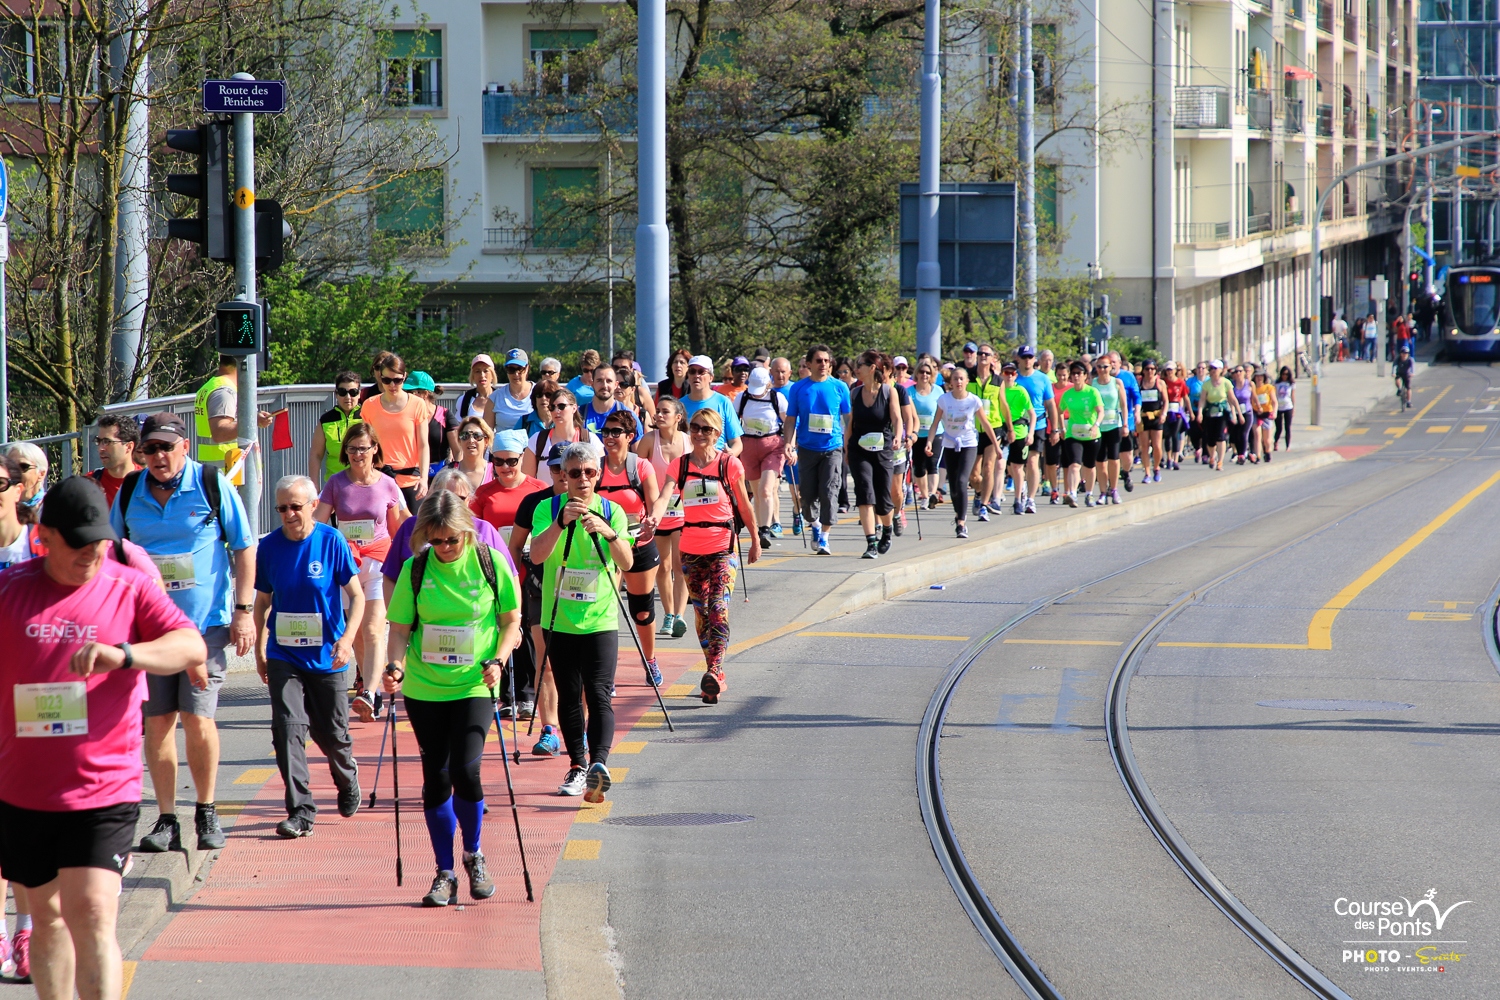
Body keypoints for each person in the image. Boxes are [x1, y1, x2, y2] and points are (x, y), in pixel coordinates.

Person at [0, 477, 205, 1000]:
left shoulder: (129, 586)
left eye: (99, 541)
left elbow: (189, 644)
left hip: (104, 786)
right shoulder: (11, 590)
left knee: (92, 911)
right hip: (25, 789)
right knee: (47, 916)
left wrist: (127, 655)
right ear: (44, 536)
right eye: (78, 543)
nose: (91, 553)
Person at [110, 412, 255, 855]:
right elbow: (112, 554)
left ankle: (206, 810)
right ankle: (167, 818)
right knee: (158, 723)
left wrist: (244, 611)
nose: (158, 456)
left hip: (203, 627)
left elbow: (244, 547)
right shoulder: (131, 491)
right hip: (149, 632)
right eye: (150, 448)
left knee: (198, 718)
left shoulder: (210, 483)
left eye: (166, 447)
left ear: (184, 447)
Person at [384, 492, 523, 907]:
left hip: (474, 684)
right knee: (437, 778)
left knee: (467, 770)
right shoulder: (415, 569)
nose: (444, 547)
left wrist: (499, 660)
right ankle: (444, 871)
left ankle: (473, 853)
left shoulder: (489, 562)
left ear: (467, 531)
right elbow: (399, 630)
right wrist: (394, 667)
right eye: (436, 540)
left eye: (452, 539)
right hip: (425, 688)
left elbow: (511, 621)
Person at [254, 475, 364, 838]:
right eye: (281, 508)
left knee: (331, 734)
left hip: (327, 655)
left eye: (295, 507)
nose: (288, 514)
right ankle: (300, 811)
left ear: (313, 505)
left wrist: (347, 640)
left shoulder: (331, 541)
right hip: (284, 653)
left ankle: (346, 776)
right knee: (287, 729)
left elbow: (357, 596)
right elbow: (263, 602)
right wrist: (259, 649)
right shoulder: (269, 547)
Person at [528, 442, 633, 793]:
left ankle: (599, 762)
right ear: (563, 476)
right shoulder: (547, 508)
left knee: (599, 693)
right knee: (570, 696)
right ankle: (577, 765)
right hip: (559, 620)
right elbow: (537, 556)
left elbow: (627, 562)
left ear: (598, 474)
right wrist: (560, 523)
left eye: (589, 472)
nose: (582, 479)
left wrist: (608, 532)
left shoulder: (612, 511)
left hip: (600, 619)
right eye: (575, 473)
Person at [651, 410, 759, 704]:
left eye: (706, 429)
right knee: (701, 613)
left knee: (718, 609)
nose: (699, 433)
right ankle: (714, 674)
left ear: (717, 434)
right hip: (691, 549)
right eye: (695, 427)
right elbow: (664, 496)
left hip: (723, 546)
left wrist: (755, 539)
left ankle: (714, 670)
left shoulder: (729, 464)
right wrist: (654, 518)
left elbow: (744, 505)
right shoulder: (680, 465)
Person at [313, 421, 409, 721]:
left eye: (363, 448)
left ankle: (367, 692)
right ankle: (373, 691)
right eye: (352, 449)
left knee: (373, 629)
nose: (357, 454)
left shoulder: (387, 484)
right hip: (347, 565)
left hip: (379, 562)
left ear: (374, 449)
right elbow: (318, 522)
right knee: (355, 635)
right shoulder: (336, 483)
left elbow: (398, 527)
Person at [506, 450, 568, 755]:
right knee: (546, 664)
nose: (563, 474)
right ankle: (549, 730)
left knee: (579, 666)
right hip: (539, 590)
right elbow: (515, 547)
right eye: (556, 468)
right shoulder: (535, 503)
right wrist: (514, 587)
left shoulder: (596, 503)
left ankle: (581, 730)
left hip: (581, 594)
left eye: (569, 468)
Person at [596, 411, 664, 686]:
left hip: (638, 544)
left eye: (616, 432)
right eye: (606, 432)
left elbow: (655, 502)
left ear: (630, 436)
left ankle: (650, 660)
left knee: (641, 611)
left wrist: (653, 521)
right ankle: (606, 672)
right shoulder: (596, 467)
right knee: (606, 609)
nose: (609, 437)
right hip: (603, 547)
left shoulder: (641, 467)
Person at [783, 345, 851, 555]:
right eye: (819, 361)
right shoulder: (798, 388)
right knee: (807, 495)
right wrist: (788, 443)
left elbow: (849, 418)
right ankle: (815, 524)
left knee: (829, 491)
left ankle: (825, 538)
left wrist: (849, 443)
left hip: (832, 447)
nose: (823, 364)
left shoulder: (840, 387)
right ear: (809, 364)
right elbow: (791, 419)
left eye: (826, 361)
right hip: (807, 448)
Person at [639, 396, 690, 642]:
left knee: (680, 566)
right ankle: (668, 614)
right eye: (657, 411)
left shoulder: (689, 442)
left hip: (684, 511)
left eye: (665, 412)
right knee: (663, 566)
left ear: (678, 417)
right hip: (656, 512)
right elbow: (637, 472)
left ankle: (679, 616)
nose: (658, 415)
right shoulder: (649, 440)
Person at [925, 367, 998, 537]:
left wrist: (996, 445)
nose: (958, 382)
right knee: (953, 488)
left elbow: (985, 423)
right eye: (955, 379)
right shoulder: (944, 400)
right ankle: (958, 513)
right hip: (950, 444)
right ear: (950, 382)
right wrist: (929, 442)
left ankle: (961, 523)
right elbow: (935, 423)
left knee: (961, 481)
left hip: (968, 444)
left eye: (961, 379)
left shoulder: (973, 401)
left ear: (966, 382)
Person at [848, 350, 905, 559]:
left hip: (883, 449)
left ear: (872, 368)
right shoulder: (854, 393)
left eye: (860, 365)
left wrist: (898, 436)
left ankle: (887, 530)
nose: (856, 369)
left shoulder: (889, 392)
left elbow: (897, 418)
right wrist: (846, 449)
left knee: (883, 498)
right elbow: (850, 424)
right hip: (859, 450)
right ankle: (871, 542)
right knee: (864, 492)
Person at [358, 352, 432, 510]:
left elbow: (423, 445)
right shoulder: (370, 405)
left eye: (397, 380)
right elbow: (365, 445)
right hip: (379, 479)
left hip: (411, 480)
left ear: (404, 377)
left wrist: (424, 478)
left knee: (413, 525)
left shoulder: (418, 404)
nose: (392, 385)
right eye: (386, 380)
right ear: (380, 378)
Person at [735, 367, 787, 549]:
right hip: (748, 446)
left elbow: (789, 422)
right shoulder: (742, 397)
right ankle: (760, 527)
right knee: (757, 492)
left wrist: (791, 445)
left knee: (766, 490)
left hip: (772, 446)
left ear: (768, 384)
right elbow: (733, 421)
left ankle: (765, 529)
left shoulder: (777, 398)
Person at [195, 356, 272, 469]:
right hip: (227, 473)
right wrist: (252, 422)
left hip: (218, 471)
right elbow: (219, 433)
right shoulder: (224, 392)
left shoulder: (211, 386)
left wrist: (255, 419)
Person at [1013, 346, 1058, 510]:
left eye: (1030, 357)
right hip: (1017, 426)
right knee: (1016, 465)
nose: (1027, 360)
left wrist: (1055, 429)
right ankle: (1021, 490)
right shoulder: (1013, 378)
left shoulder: (1043, 379)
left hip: (1038, 424)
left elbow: (1051, 405)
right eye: (1024, 357)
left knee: (1032, 462)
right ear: (1018, 359)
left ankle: (1031, 499)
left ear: (1034, 360)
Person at [522, 387, 601, 478]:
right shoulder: (537, 440)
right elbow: (527, 480)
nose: (556, 411)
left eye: (561, 406)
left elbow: (599, 477)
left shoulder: (590, 439)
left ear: (574, 408)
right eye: (552, 407)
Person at [1058, 361, 1104, 507]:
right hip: (1073, 435)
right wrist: (1062, 428)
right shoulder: (1067, 394)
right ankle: (1072, 494)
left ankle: (1089, 494)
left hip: (1091, 434)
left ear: (1085, 376)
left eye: (1079, 373)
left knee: (1089, 466)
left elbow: (1100, 411)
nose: (1076, 376)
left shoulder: (1092, 392)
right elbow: (1060, 411)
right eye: (1073, 373)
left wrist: (1096, 425)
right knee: (1074, 464)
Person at [308, 371, 363, 490]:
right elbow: (316, 455)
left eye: (353, 392)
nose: (348, 397)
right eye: (343, 392)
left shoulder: (368, 417)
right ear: (336, 394)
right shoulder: (326, 420)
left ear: (359, 394)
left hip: (363, 484)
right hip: (335, 486)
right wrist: (314, 485)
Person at [681, 356, 744, 457]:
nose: (696, 375)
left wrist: (728, 457)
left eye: (701, 372)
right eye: (692, 371)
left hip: (717, 461)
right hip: (689, 461)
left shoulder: (723, 402)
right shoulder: (680, 405)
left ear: (711, 377)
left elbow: (737, 443)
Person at [997, 362, 1036, 515]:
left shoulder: (1021, 391)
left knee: (1016, 467)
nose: (1009, 376)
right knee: (1000, 465)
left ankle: (1018, 499)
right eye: (1006, 373)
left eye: (1012, 373)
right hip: (1001, 430)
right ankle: (996, 497)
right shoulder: (998, 390)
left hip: (1019, 431)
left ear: (1016, 376)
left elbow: (1032, 414)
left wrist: (1030, 434)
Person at [1089, 358, 1126, 504]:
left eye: (1105, 366)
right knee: (1100, 461)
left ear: (1111, 367)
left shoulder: (1117, 382)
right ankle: (1103, 492)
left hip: (1114, 425)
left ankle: (1114, 489)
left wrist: (1125, 424)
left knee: (1114, 459)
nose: (1102, 370)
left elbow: (1123, 404)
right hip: (1098, 426)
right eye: (1099, 367)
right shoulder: (1092, 383)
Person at [1195, 360, 1241, 470]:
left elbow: (1232, 399)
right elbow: (1202, 400)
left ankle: (1220, 461)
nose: (1213, 371)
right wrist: (1200, 413)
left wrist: (1238, 413)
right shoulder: (1206, 384)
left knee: (1221, 437)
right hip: (1210, 412)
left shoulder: (1226, 383)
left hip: (1222, 412)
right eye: (1211, 369)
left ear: (1221, 370)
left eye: (1215, 369)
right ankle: (1212, 456)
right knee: (1210, 438)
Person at [405, 372, 455, 473]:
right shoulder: (404, 416)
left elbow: (458, 451)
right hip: (412, 473)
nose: (408, 396)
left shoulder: (445, 415)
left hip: (440, 474)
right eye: (406, 392)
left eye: (412, 392)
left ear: (425, 394)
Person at [909, 358, 942, 508]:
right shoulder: (909, 392)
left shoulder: (938, 391)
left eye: (928, 372)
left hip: (935, 433)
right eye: (922, 372)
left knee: (932, 463)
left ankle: (933, 494)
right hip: (917, 434)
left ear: (932, 375)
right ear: (917, 373)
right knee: (919, 467)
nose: (924, 375)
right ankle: (924, 495)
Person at [1108, 352, 1142, 492]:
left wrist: (1137, 412)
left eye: (1114, 362)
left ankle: (1126, 473)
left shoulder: (1128, 376)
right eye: (1109, 362)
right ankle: (1111, 484)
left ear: (1119, 363)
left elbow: (1137, 396)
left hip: (1126, 421)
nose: (1111, 365)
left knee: (1127, 456)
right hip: (1108, 423)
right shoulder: (1102, 379)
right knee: (1111, 456)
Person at [89, 416, 139, 507]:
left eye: (107, 442)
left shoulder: (146, 482)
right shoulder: (90, 483)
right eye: (99, 441)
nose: (100, 448)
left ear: (128, 447)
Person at [582, 365, 642, 441]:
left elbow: (638, 448)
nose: (604, 385)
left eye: (609, 381)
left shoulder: (629, 417)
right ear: (592, 384)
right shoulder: (579, 414)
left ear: (616, 385)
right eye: (599, 381)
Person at [492, 350, 536, 431]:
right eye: (511, 370)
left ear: (527, 369)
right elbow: (486, 431)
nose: (516, 374)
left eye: (520, 369)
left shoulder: (539, 393)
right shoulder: (495, 397)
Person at [1137, 361, 1166, 484]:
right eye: (1147, 369)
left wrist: (1164, 414)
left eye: (1152, 369)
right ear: (1143, 370)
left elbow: (1166, 401)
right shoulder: (1139, 383)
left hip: (1156, 416)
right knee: (1144, 446)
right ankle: (1147, 472)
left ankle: (1156, 467)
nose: (1150, 371)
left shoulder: (1160, 383)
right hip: (1143, 417)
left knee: (1157, 446)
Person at [454, 353, 499, 431]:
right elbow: (459, 429)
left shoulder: (500, 398)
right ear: (473, 376)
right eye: (477, 371)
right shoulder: (464, 400)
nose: (482, 375)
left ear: (492, 375)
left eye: (486, 371)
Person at [450, 416, 496, 492]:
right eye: (465, 436)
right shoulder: (448, 472)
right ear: (460, 441)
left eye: (477, 436)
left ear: (486, 442)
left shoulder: (495, 472)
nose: (471, 440)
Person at [1161, 362, 1189, 469]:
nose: (1169, 372)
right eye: (1168, 370)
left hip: (1177, 411)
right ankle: (1168, 458)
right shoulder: (1163, 382)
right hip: (1166, 411)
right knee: (1167, 435)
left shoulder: (1180, 382)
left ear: (1175, 371)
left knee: (1175, 434)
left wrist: (1190, 412)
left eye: (1171, 370)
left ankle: (1176, 459)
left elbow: (1185, 397)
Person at [1251, 370, 1277, 462]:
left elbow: (1274, 401)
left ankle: (1267, 451)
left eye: (1261, 376)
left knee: (1266, 439)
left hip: (1267, 413)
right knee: (1257, 435)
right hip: (1256, 413)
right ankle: (1258, 456)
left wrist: (1275, 412)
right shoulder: (1252, 388)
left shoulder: (1268, 387)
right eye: (1257, 376)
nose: (1259, 378)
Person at [1273, 365, 1296, 451]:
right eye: (1283, 374)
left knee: (1287, 427)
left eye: (1286, 374)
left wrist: (1293, 408)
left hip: (1288, 406)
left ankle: (1288, 446)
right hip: (1278, 407)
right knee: (1279, 427)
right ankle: (1276, 442)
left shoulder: (1291, 384)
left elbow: (1292, 395)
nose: (1284, 376)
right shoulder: (1276, 383)